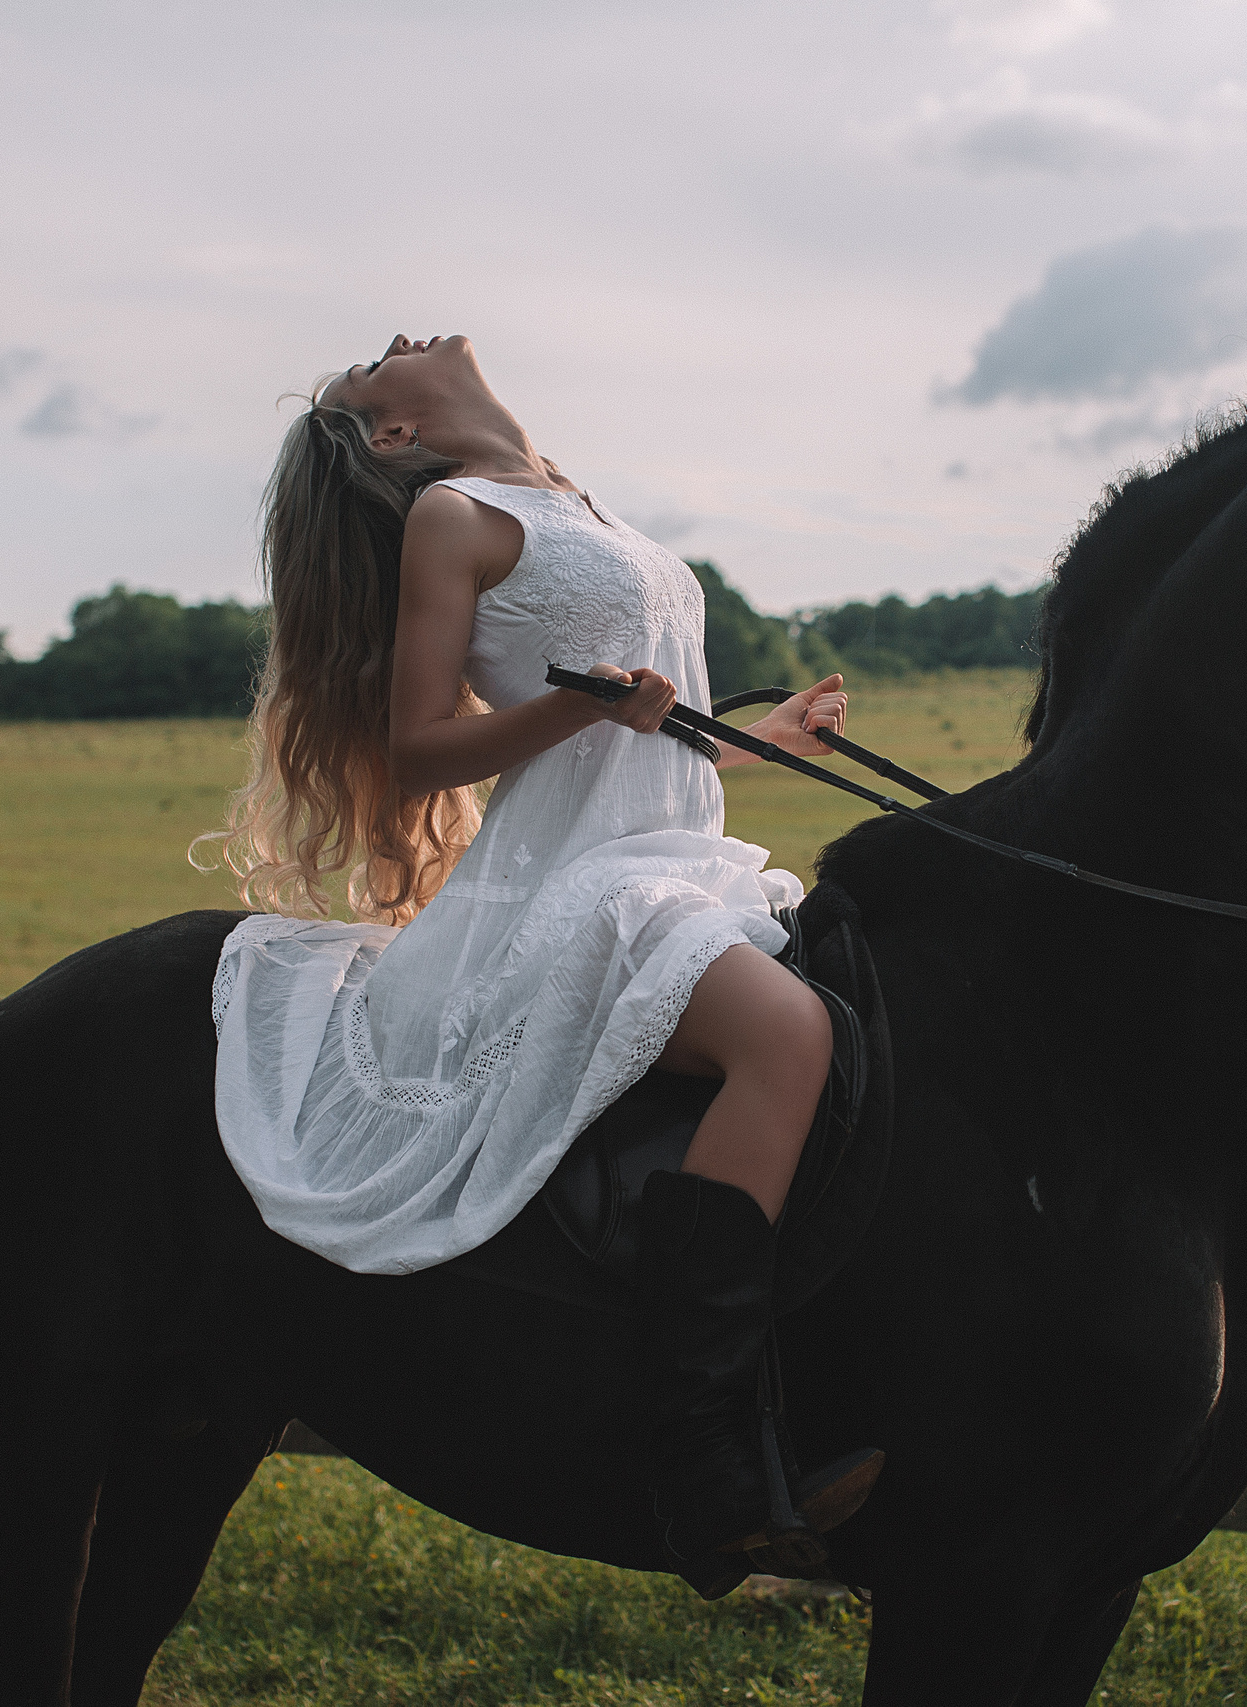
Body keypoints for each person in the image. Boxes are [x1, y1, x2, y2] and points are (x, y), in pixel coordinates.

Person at [202, 333, 876, 1569]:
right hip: (577, 893)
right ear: (395, 434)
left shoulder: (578, 500)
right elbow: (415, 748)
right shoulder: (453, 519)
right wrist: (577, 701)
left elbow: (632, 744)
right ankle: (703, 1456)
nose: (396, 339)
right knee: (789, 1037)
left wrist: (755, 737)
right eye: (369, 366)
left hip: (677, 862)